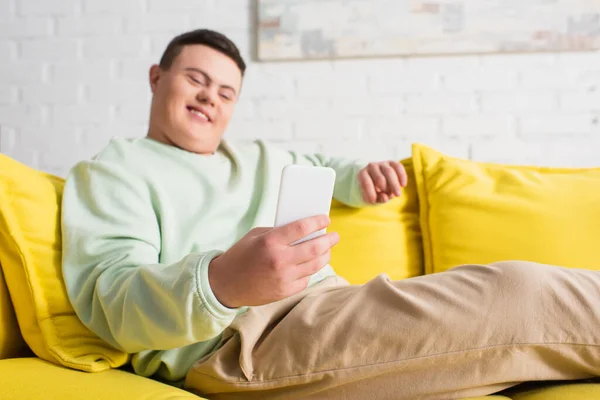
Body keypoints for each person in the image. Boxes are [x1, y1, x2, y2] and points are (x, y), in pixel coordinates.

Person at [61, 29, 600, 400]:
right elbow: (111, 300)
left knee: (505, 335)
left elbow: (326, 167)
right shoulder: (114, 170)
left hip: (327, 308)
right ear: (157, 77)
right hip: (241, 341)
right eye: (196, 80)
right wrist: (221, 281)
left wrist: (362, 178)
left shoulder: (259, 157)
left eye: (226, 92)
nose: (210, 98)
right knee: (517, 292)